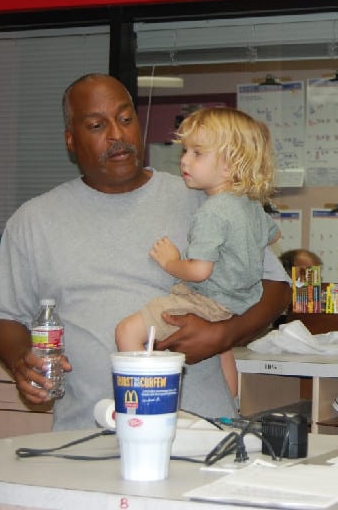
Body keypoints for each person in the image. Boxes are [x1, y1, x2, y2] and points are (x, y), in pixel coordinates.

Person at [0, 74, 290, 431]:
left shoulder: (206, 198)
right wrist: (22, 360)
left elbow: (276, 287)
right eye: (97, 125)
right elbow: (5, 316)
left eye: (126, 120)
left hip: (199, 430)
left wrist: (224, 334)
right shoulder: (32, 221)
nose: (117, 135)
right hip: (89, 431)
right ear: (70, 140)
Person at [115, 107, 281, 400]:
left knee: (127, 332)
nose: (184, 160)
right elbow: (274, 234)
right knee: (223, 348)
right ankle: (229, 403)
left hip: (206, 299)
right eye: (185, 150)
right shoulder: (252, 206)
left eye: (197, 153)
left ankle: (146, 403)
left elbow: (200, 271)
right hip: (240, 301)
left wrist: (171, 261)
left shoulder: (212, 212)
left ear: (229, 166)